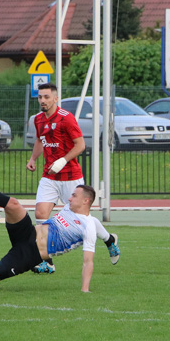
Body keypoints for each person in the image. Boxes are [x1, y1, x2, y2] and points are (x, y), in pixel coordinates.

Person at [24, 83, 119, 273]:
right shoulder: (38, 120)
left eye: (46, 97)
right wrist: (33, 158)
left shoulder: (66, 119)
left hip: (71, 177)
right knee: (41, 214)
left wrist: (62, 160)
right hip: (49, 176)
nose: (42, 100)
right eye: (40, 97)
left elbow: (81, 144)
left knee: (83, 220)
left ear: (55, 98)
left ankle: (109, 239)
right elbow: (39, 140)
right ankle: (47, 262)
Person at [0, 172, 101, 292]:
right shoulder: (68, 209)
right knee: (13, 204)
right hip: (28, 232)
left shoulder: (88, 226)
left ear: (85, 201)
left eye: (74, 196)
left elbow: (88, 261)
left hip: (30, 254)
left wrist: (85, 289)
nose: (69, 198)